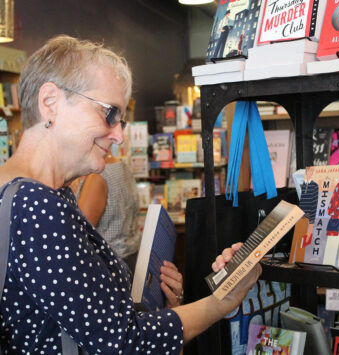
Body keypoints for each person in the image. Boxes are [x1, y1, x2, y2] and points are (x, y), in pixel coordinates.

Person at [0, 35, 261, 353]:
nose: (119, 135)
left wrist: (163, 305)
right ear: (50, 102)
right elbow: (122, 342)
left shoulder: (32, 195)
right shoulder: (37, 206)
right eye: (109, 114)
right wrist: (223, 301)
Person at [75, 151, 141, 273]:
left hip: (110, 266)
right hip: (131, 259)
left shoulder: (98, 177)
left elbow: (79, 233)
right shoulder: (121, 166)